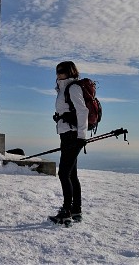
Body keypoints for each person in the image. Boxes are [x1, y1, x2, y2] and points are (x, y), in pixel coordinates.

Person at [51, 61, 88, 224]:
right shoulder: (62, 89)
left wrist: (81, 136)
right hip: (66, 134)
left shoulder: (73, 88)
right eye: (57, 71)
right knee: (71, 174)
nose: (58, 73)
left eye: (62, 71)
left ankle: (66, 211)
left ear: (70, 71)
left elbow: (83, 111)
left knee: (63, 173)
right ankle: (76, 210)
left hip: (73, 135)